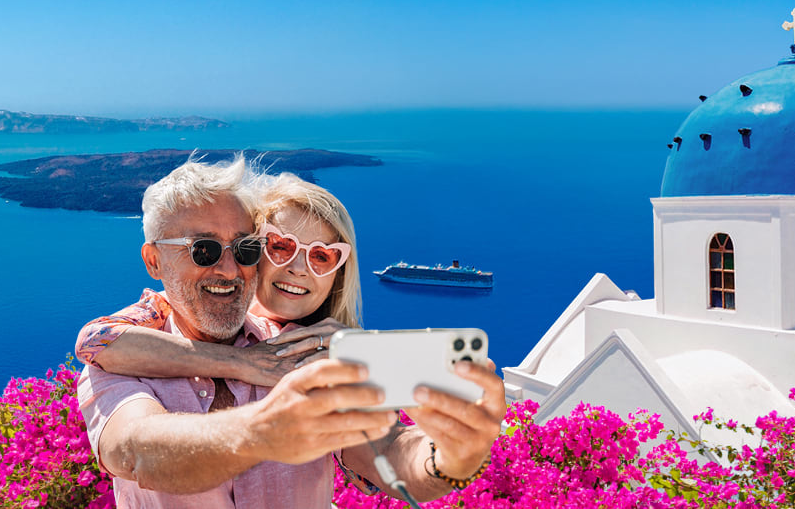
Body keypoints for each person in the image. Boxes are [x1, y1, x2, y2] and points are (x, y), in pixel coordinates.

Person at [75, 164, 507, 508]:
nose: (227, 269)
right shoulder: (120, 360)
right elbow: (136, 450)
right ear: (154, 261)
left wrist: (450, 456)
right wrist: (261, 432)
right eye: (202, 250)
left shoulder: (301, 351)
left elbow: (390, 449)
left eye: (245, 249)